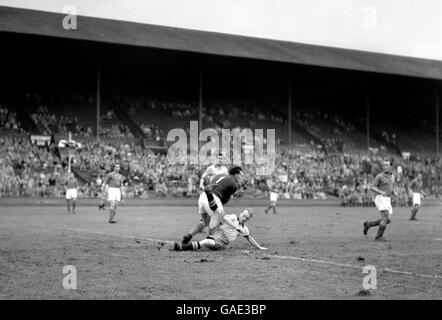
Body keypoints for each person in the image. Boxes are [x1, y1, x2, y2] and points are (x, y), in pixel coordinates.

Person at [181, 166, 243, 245]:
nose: (242, 178)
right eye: (241, 175)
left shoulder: (219, 175)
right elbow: (224, 199)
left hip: (202, 196)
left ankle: (188, 236)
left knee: (205, 221)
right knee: (215, 221)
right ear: (236, 174)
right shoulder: (234, 185)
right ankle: (208, 242)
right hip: (213, 198)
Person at [174, 208, 268, 251]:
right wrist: (235, 227)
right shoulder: (233, 217)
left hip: (222, 242)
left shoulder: (244, 229)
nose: (244, 218)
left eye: (246, 218)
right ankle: (185, 245)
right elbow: (226, 218)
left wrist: (259, 247)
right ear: (241, 213)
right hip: (216, 234)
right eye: (244, 215)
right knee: (218, 213)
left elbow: (250, 238)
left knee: (206, 242)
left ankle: (182, 247)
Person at [363, 158, 396, 241]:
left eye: (387, 165)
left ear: (391, 166)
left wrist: (394, 192)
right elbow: (372, 187)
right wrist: (381, 192)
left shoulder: (392, 176)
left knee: (388, 220)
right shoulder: (379, 176)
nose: (385, 167)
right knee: (385, 218)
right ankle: (378, 237)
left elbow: (391, 187)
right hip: (380, 198)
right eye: (384, 165)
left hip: (388, 199)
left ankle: (368, 224)